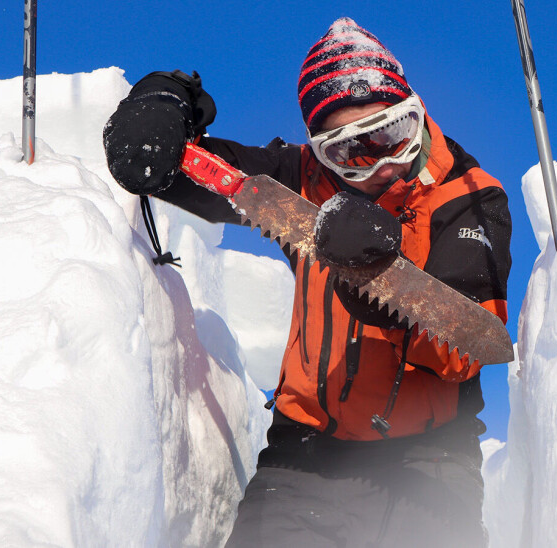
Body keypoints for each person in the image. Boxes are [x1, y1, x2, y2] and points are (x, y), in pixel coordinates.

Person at [103, 17, 512, 548]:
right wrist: (165, 98)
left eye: (391, 134)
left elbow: (466, 349)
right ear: (320, 150)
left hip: (429, 462)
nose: (381, 166)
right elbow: (187, 170)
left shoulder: (469, 195)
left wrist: (377, 279)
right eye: (350, 153)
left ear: (415, 111)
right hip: (303, 457)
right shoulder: (301, 182)